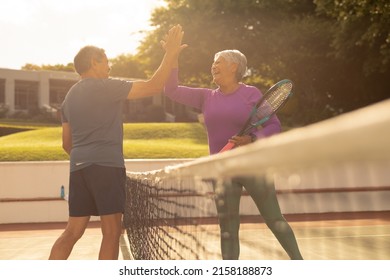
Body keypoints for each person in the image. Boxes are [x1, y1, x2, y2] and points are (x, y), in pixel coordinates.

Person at [49, 24, 187, 260]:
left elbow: (66, 143)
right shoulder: (107, 86)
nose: (109, 66)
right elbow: (154, 86)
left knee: (72, 231)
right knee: (111, 232)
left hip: (79, 168)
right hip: (106, 168)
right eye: (105, 61)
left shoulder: (69, 97)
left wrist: (87, 158)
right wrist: (171, 53)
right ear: (94, 62)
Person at [163, 49, 303, 260]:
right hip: (222, 171)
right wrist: (172, 56)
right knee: (227, 227)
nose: (213, 66)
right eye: (213, 62)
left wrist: (252, 138)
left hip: (253, 167)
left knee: (274, 218)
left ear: (233, 66)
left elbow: (274, 126)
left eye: (218, 61)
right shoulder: (205, 96)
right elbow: (171, 90)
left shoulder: (251, 94)